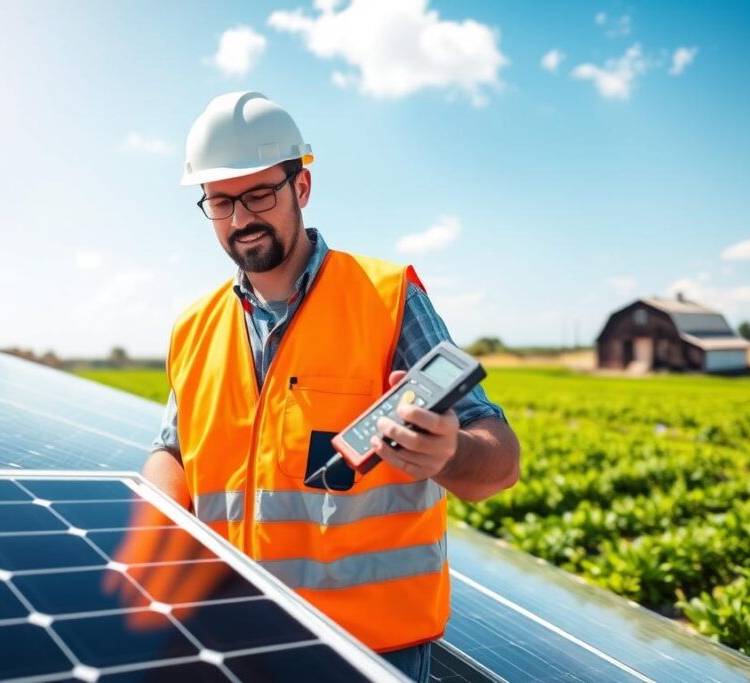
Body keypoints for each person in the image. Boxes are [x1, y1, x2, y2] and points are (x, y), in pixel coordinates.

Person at [143, 91, 521, 682]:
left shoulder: (387, 297)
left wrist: (449, 451)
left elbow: (499, 461)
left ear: (301, 188)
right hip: (232, 638)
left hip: (368, 653)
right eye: (220, 202)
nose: (241, 219)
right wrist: (150, 517)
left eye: (259, 194)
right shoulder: (194, 327)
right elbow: (174, 451)